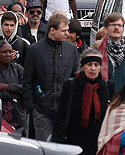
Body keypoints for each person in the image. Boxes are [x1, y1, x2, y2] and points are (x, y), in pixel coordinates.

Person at [54, 49, 115, 155]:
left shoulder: (108, 87)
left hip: (99, 145)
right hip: (75, 142)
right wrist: (57, 145)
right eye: (89, 65)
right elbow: (61, 117)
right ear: (83, 66)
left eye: (96, 65)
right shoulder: (70, 86)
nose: (93, 68)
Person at [21, 12, 82, 141]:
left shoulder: (71, 49)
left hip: (64, 111)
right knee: (43, 150)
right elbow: (27, 81)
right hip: (41, 110)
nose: (67, 34)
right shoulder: (35, 50)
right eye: (64, 30)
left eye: (68, 30)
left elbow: (76, 77)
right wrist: (31, 107)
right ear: (53, 30)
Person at [95, 13, 125, 90]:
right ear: (105, 29)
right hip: (105, 98)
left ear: (123, 30)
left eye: (119, 25)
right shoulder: (97, 52)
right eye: (113, 25)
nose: (116, 28)